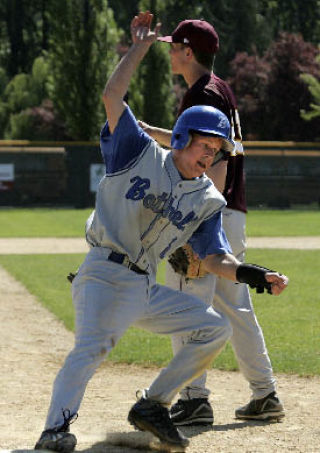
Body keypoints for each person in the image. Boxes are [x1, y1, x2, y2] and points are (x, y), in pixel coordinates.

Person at [34, 12, 288, 453]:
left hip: (143, 286)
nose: (209, 156)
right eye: (204, 145)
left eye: (215, 150)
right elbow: (113, 95)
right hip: (101, 273)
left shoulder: (207, 198)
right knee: (92, 349)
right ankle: (55, 430)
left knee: (213, 328)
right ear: (181, 137)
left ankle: (154, 404)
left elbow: (214, 259)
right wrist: (140, 47)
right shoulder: (137, 151)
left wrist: (251, 274)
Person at [139, 18, 285, 426]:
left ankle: (194, 398)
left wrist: (194, 221)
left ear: (189, 52)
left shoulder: (201, 93)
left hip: (209, 215)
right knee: (236, 308)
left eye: (174, 46)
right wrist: (152, 132)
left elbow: (214, 158)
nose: (169, 51)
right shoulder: (219, 90)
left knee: (185, 304)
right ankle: (265, 393)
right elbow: (198, 142)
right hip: (231, 212)